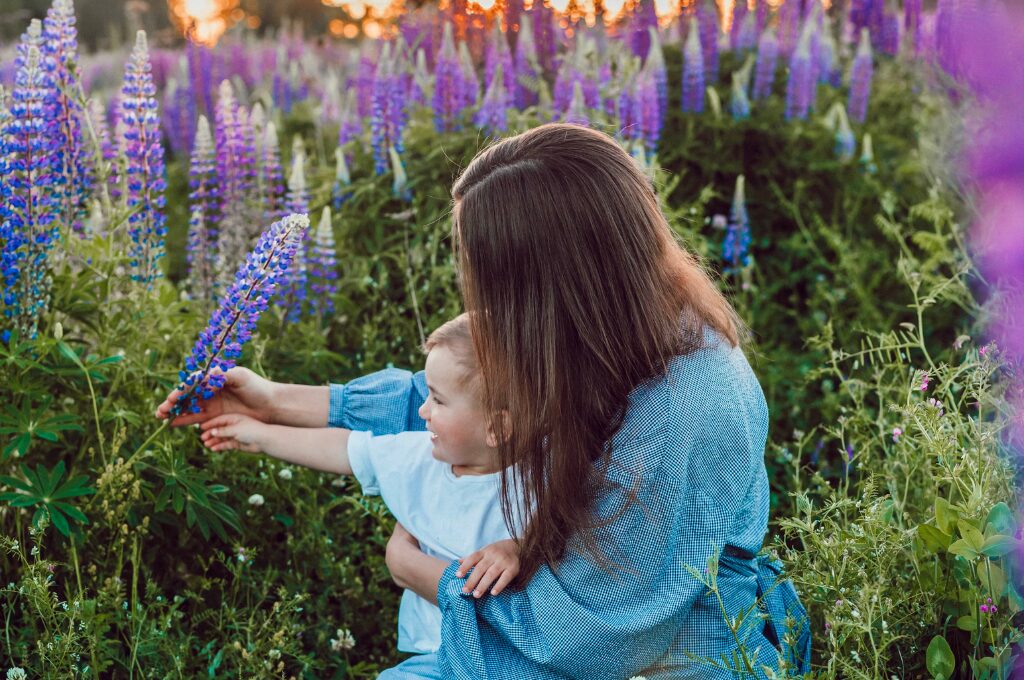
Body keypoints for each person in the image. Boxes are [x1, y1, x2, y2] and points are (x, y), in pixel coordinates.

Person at [158, 123, 810, 678]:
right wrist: (272, 402)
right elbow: (458, 396)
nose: (479, 302)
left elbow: (592, 637)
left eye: (490, 278)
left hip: (672, 653)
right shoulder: (623, 332)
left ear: (556, 282)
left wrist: (424, 573)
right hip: (580, 627)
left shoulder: (685, 407)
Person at [172, 315, 523, 676]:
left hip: (510, 659)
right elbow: (346, 450)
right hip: (436, 656)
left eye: (437, 399)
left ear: (496, 427)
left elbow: (567, 538)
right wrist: (257, 435)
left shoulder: (539, 480)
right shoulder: (420, 457)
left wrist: (518, 547)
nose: (422, 412)